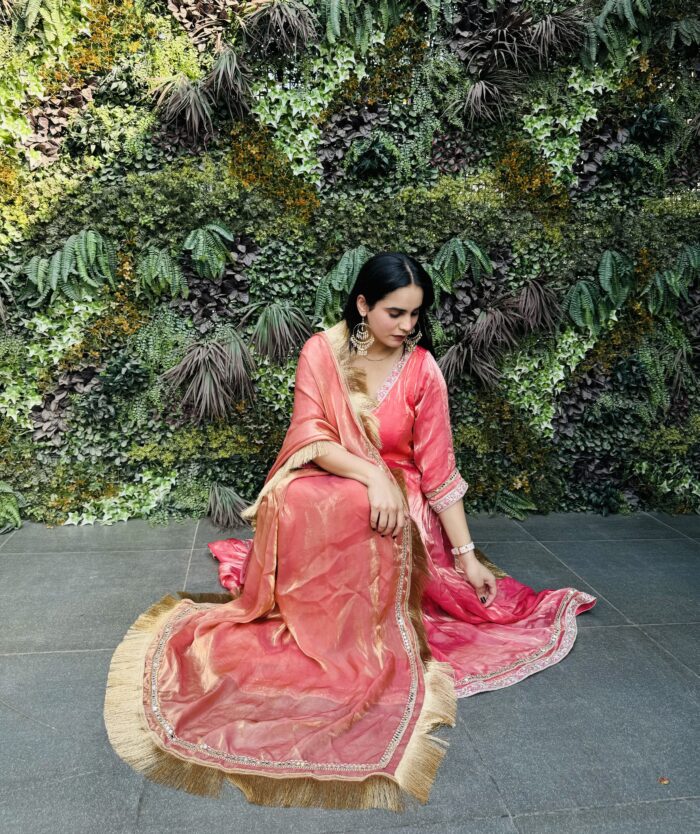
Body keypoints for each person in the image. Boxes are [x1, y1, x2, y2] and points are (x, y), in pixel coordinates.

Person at [104, 252, 596, 813]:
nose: (408, 326)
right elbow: (309, 435)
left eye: (415, 314)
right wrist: (370, 474)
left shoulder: (422, 370)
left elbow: (437, 470)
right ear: (362, 305)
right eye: (395, 313)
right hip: (332, 473)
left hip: (401, 497)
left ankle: (367, 623)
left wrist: (465, 555)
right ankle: (319, 619)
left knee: (385, 507)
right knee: (302, 496)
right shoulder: (322, 352)